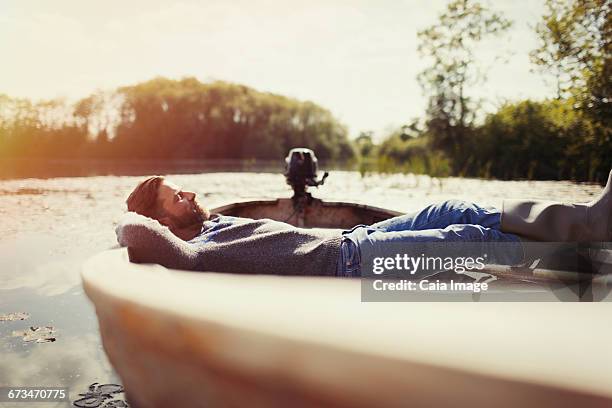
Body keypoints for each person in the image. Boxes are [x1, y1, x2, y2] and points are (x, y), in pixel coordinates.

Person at [116, 170, 611, 278]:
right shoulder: (194, 252)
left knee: (448, 210)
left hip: (355, 238)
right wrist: (130, 221)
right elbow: (135, 233)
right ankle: (591, 266)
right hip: (352, 261)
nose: (192, 193)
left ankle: (589, 222)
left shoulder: (214, 227)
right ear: (162, 219)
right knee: (468, 240)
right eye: (176, 196)